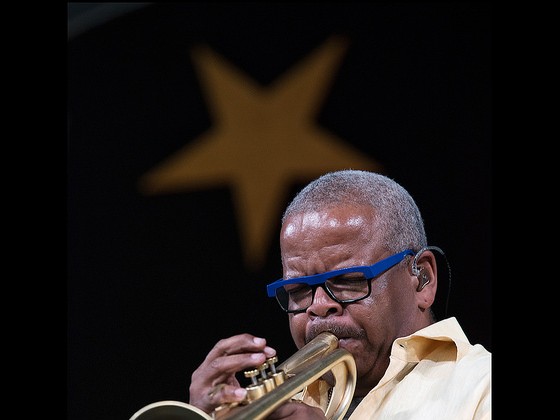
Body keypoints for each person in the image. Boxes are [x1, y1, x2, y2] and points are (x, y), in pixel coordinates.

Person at [187, 169, 491, 419]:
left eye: (348, 280)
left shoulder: (481, 385)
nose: (319, 306)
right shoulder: (279, 405)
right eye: (298, 289)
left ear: (422, 278)